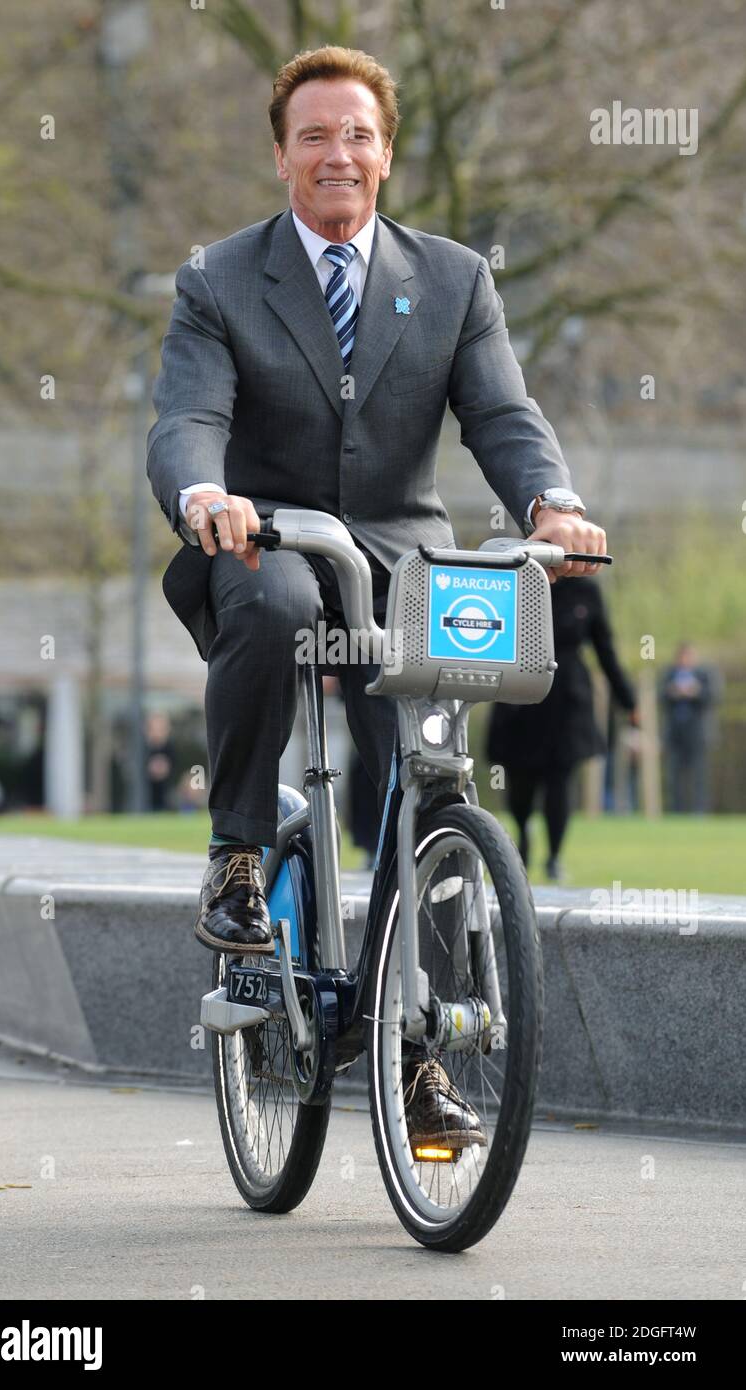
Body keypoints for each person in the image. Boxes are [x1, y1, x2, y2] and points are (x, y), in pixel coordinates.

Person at [146, 47, 606, 1135]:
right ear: (281, 156)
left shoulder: (454, 280)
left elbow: (500, 414)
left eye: (357, 134)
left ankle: (422, 1056)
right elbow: (186, 419)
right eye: (314, 135)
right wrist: (205, 492)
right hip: (267, 534)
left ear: (386, 155)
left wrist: (551, 500)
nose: (337, 153)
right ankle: (241, 855)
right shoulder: (218, 280)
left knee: (429, 778)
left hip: (404, 556)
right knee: (272, 603)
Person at [486, 575, 637, 881]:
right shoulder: (516, 580)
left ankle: (554, 855)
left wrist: (628, 701)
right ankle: (522, 832)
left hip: (567, 700)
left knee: (560, 780)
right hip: (521, 693)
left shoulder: (587, 591)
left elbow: (604, 648)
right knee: (521, 784)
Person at [659, 642, 718, 813]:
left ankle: (700, 811)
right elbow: (660, 697)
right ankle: (676, 811)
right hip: (675, 733)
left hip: (697, 734)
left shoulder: (703, 675)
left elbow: (712, 697)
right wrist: (673, 692)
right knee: (674, 776)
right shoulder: (669, 674)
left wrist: (695, 692)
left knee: (699, 776)